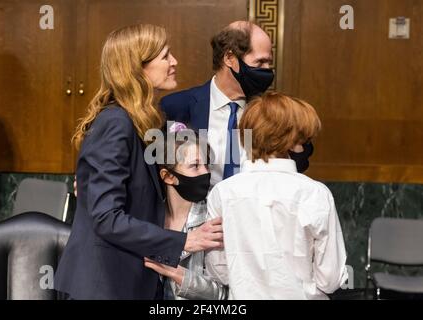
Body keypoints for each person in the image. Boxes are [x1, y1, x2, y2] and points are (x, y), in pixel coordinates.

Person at [54, 24, 223, 300]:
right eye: (165, 56)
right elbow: (107, 217)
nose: (174, 62)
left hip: (131, 282)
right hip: (103, 284)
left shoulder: (151, 120)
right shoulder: (115, 123)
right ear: (137, 68)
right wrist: (184, 241)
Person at [205, 92, 348, 300]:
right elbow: (331, 278)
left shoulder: (223, 193)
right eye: (302, 137)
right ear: (291, 141)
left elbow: (219, 270)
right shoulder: (315, 194)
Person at [160, 21, 314, 186]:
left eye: (269, 62)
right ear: (229, 58)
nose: (268, 70)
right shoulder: (176, 107)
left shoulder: (275, 112)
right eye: (260, 62)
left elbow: (299, 165)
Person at [144, 122, 228, 300]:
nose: (205, 173)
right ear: (168, 176)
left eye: (207, 165)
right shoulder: (147, 219)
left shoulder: (214, 220)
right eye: (195, 166)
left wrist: (180, 275)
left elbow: (224, 294)